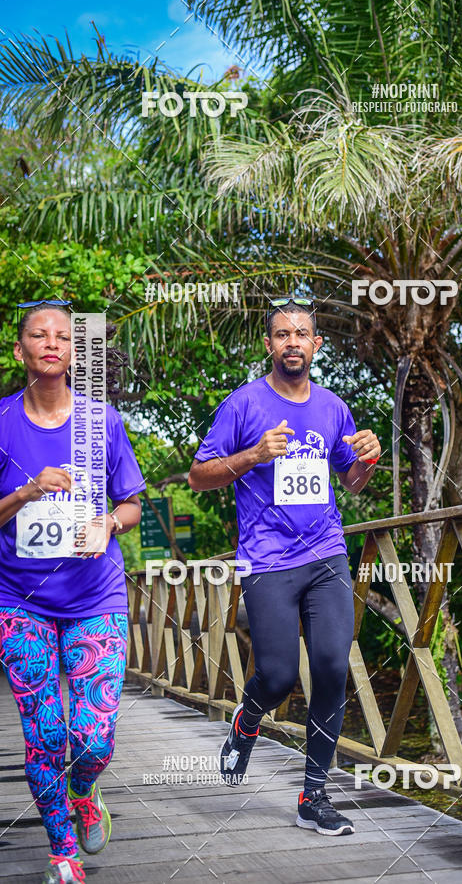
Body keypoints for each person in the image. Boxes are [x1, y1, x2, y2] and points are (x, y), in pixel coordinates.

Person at [188, 296, 381, 836]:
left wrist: (369, 459)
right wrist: (252, 455)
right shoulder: (244, 404)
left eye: (302, 333)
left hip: (327, 555)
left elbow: (352, 481)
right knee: (276, 675)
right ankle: (246, 723)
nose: (292, 341)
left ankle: (313, 796)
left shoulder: (332, 407)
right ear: (269, 345)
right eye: (282, 333)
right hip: (269, 560)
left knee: (331, 667)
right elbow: (198, 476)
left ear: (316, 345)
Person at [0, 301, 145, 883]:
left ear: (75, 352)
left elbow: (132, 503)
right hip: (18, 601)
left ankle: (84, 789)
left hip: (95, 597)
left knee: (91, 737)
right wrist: (27, 492)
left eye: (64, 335)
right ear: (21, 350)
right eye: (40, 334)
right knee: (45, 731)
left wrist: (108, 523)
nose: (53, 343)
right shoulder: (3, 420)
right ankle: (62, 851)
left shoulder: (101, 421)